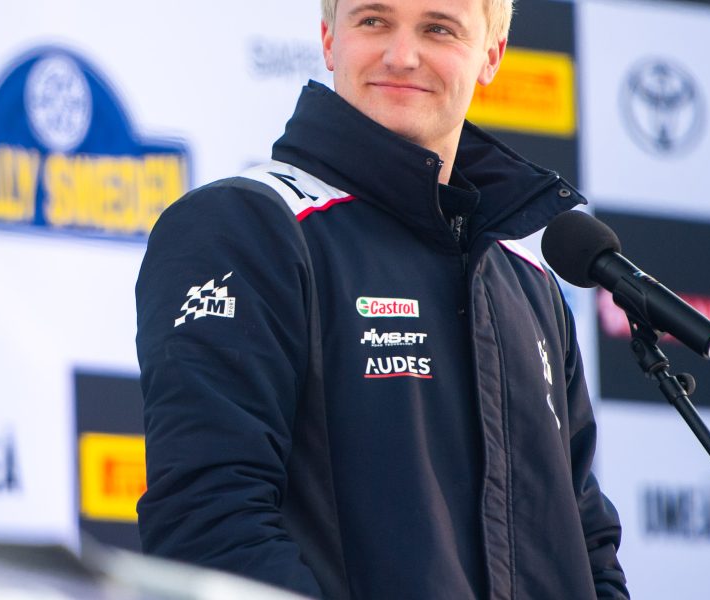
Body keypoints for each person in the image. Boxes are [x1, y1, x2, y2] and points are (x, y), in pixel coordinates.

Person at [133, 0, 628, 598]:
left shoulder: (528, 281)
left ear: (491, 55)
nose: (402, 55)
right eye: (373, 21)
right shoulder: (245, 226)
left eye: (438, 29)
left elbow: (589, 552)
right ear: (328, 39)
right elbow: (209, 525)